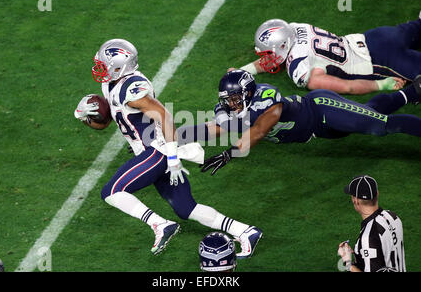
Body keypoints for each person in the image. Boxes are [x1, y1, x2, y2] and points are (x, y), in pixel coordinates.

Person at [74, 39, 262, 257]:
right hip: (152, 149)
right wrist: (90, 113)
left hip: (158, 151)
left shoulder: (131, 88)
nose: (100, 68)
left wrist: (172, 159)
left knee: (111, 191)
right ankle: (245, 231)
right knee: (186, 208)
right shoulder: (111, 83)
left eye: (104, 64)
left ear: (119, 67)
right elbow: (109, 119)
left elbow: (165, 116)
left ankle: (160, 225)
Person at [175, 69, 421, 175]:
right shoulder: (232, 109)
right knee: (369, 114)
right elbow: (210, 128)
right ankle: (413, 92)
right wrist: (171, 136)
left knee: (380, 126)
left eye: (235, 99)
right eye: (228, 100)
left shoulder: (267, 98)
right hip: (320, 131)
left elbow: (260, 130)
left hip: (322, 109)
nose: (231, 104)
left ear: (249, 93)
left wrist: (231, 154)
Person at [232, 13, 421, 95]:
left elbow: (347, 87)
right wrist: (242, 72)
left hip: (380, 59)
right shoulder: (296, 27)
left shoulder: (299, 67)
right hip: (377, 35)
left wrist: (380, 85)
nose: (266, 58)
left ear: (282, 45)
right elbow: (275, 57)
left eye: (268, 53)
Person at [337, 175, 405, 272]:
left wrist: (347, 262)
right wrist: (360, 253)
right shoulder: (393, 217)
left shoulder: (368, 238)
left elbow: (374, 243)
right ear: (377, 194)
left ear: (355, 200)